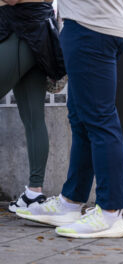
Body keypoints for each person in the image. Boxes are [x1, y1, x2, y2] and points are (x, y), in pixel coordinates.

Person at [16, 0, 123, 239]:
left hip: (91, 27)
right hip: (98, 24)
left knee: (100, 120)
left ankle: (110, 213)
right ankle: (71, 202)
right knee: (82, 119)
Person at [0, 0, 61, 213]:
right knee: (33, 118)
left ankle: (34, 193)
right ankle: (34, 194)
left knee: (33, 118)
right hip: (35, 32)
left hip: (19, 29)